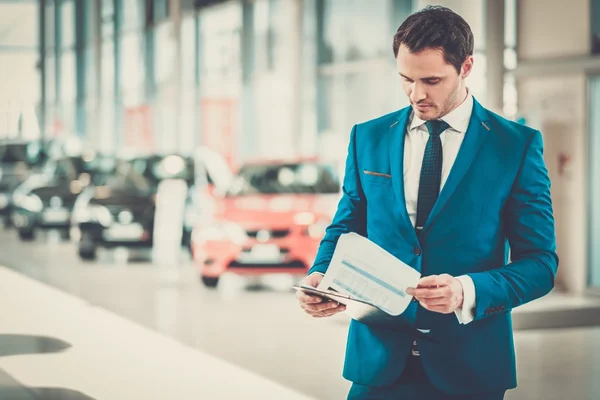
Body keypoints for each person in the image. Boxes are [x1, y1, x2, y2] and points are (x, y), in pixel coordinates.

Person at [296, 5, 558, 400]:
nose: (417, 94)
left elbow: (540, 263)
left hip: (470, 366)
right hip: (378, 362)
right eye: (406, 79)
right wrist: (321, 278)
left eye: (432, 80)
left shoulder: (514, 147)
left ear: (466, 67)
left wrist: (466, 291)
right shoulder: (367, 138)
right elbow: (347, 225)